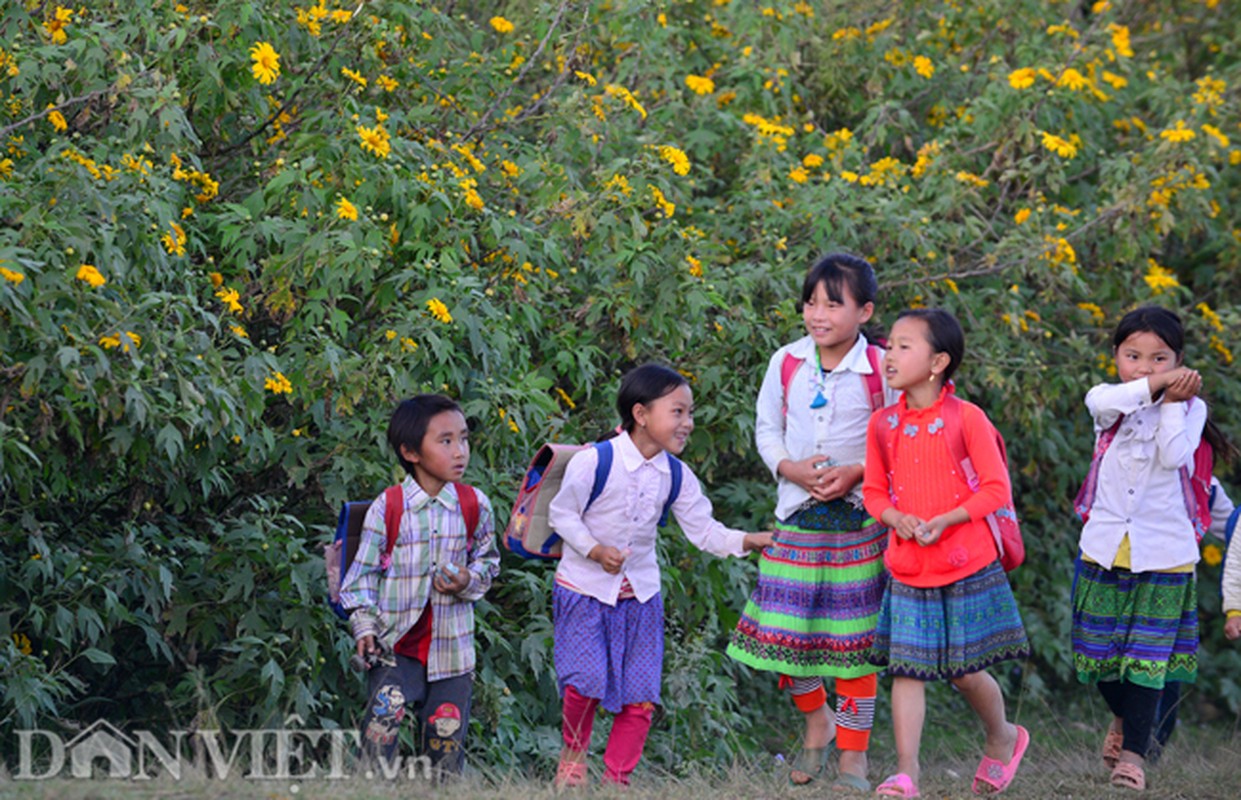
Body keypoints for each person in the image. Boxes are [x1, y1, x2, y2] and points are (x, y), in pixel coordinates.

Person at [547, 363, 774, 788]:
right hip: (584, 588)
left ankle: (617, 782)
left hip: (641, 596)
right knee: (585, 683)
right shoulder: (596, 461)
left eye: (690, 414)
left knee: (641, 698)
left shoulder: (676, 475)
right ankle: (573, 760)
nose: (688, 423)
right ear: (640, 414)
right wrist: (596, 550)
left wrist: (750, 539)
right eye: (678, 412)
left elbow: (705, 532)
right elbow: (562, 513)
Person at [726, 252, 898, 791]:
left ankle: (853, 754)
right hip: (797, 518)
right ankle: (817, 720)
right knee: (786, 636)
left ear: (865, 311)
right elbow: (765, 428)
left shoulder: (883, 369)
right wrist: (789, 467)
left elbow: (899, 435)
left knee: (855, 645)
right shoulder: (787, 362)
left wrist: (858, 472)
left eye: (833, 303)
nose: (817, 313)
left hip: (860, 522)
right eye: (810, 302)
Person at [862, 308, 1030, 798]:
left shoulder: (967, 418)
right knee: (906, 670)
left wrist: (947, 520)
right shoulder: (883, 424)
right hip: (909, 564)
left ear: (938, 362)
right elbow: (874, 493)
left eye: (903, 346)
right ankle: (906, 774)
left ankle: (1003, 736)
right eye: (889, 345)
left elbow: (996, 490)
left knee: (964, 672)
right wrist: (897, 520)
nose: (890, 355)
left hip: (965, 562)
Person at [1070, 306, 1230, 791]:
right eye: (1133, 355)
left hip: (1165, 554)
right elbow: (1105, 403)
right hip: (1103, 547)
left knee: (1146, 658)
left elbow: (1175, 454)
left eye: (1160, 359)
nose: (1144, 366)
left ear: (1179, 362)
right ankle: (1124, 718)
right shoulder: (1107, 398)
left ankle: (1135, 757)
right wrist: (1156, 387)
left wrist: (1173, 402)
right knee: (1094, 656)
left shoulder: (1191, 409)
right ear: (1116, 356)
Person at [339, 394, 501, 778]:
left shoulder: (475, 505)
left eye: (463, 438)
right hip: (395, 649)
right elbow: (360, 580)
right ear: (410, 451)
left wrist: (467, 580)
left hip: (453, 653)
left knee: (445, 751)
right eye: (445, 441)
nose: (460, 451)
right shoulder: (389, 507)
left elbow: (488, 563)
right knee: (379, 739)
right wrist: (364, 628)